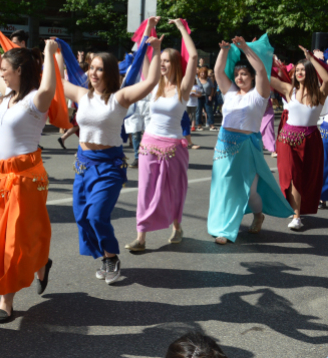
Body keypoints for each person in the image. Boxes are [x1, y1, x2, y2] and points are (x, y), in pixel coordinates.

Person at [63, 32, 162, 284]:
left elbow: (151, 82)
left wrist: (156, 49)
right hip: (83, 164)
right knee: (82, 216)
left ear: (109, 73)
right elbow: (50, 82)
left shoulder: (120, 98)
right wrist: (53, 52)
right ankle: (104, 254)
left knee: (97, 215)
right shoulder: (81, 95)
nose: (93, 73)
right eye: (91, 68)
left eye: (99, 69)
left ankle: (111, 257)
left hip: (109, 166)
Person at [0, 25, 57, 324]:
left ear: (21, 71)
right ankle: (41, 263)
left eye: (7, 70)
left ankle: (5, 299)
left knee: (12, 240)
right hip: (0, 177)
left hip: (26, 180)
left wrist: (49, 53)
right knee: (11, 235)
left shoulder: (35, 101)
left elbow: (48, 86)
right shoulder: (6, 93)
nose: (0, 72)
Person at [207, 36, 293, 244]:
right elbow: (218, 72)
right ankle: (223, 229)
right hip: (224, 145)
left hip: (247, 146)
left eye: (244, 74)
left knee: (250, 190)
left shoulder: (259, 94)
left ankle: (258, 215)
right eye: (236, 74)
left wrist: (245, 48)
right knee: (222, 187)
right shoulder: (230, 92)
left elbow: (262, 70)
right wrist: (224, 51)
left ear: (252, 77)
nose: (239, 78)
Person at [125, 18, 198, 252]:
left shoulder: (183, 87)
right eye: (162, 60)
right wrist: (148, 30)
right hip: (149, 143)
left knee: (175, 189)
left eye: (167, 61)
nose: (163, 64)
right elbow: (144, 57)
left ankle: (177, 226)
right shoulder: (154, 83)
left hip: (174, 146)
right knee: (145, 190)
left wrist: (181, 28)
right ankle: (141, 237)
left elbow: (194, 57)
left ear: (175, 63)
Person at [269, 47, 328, 230]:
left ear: (309, 72)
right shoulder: (289, 90)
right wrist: (258, 55)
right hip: (287, 140)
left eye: (303, 69)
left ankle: (297, 209)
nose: (299, 72)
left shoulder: (319, 93)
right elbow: (266, 77)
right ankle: (296, 216)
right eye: (298, 70)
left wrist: (311, 58)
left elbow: (326, 78)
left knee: (306, 178)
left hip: (311, 140)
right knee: (292, 176)